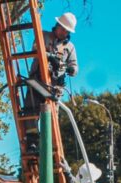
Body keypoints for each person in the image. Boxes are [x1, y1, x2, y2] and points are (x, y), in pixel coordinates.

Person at [23, 12, 79, 153]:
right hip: (37, 81)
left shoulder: (70, 47)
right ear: (57, 25)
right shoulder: (43, 35)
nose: (64, 32)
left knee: (52, 117)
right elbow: (35, 49)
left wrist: (71, 69)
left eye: (67, 31)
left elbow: (74, 66)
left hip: (54, 87)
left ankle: (51, 147)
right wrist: (50, 57)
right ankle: (32, 142)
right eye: (63, 29)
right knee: (31, 110)